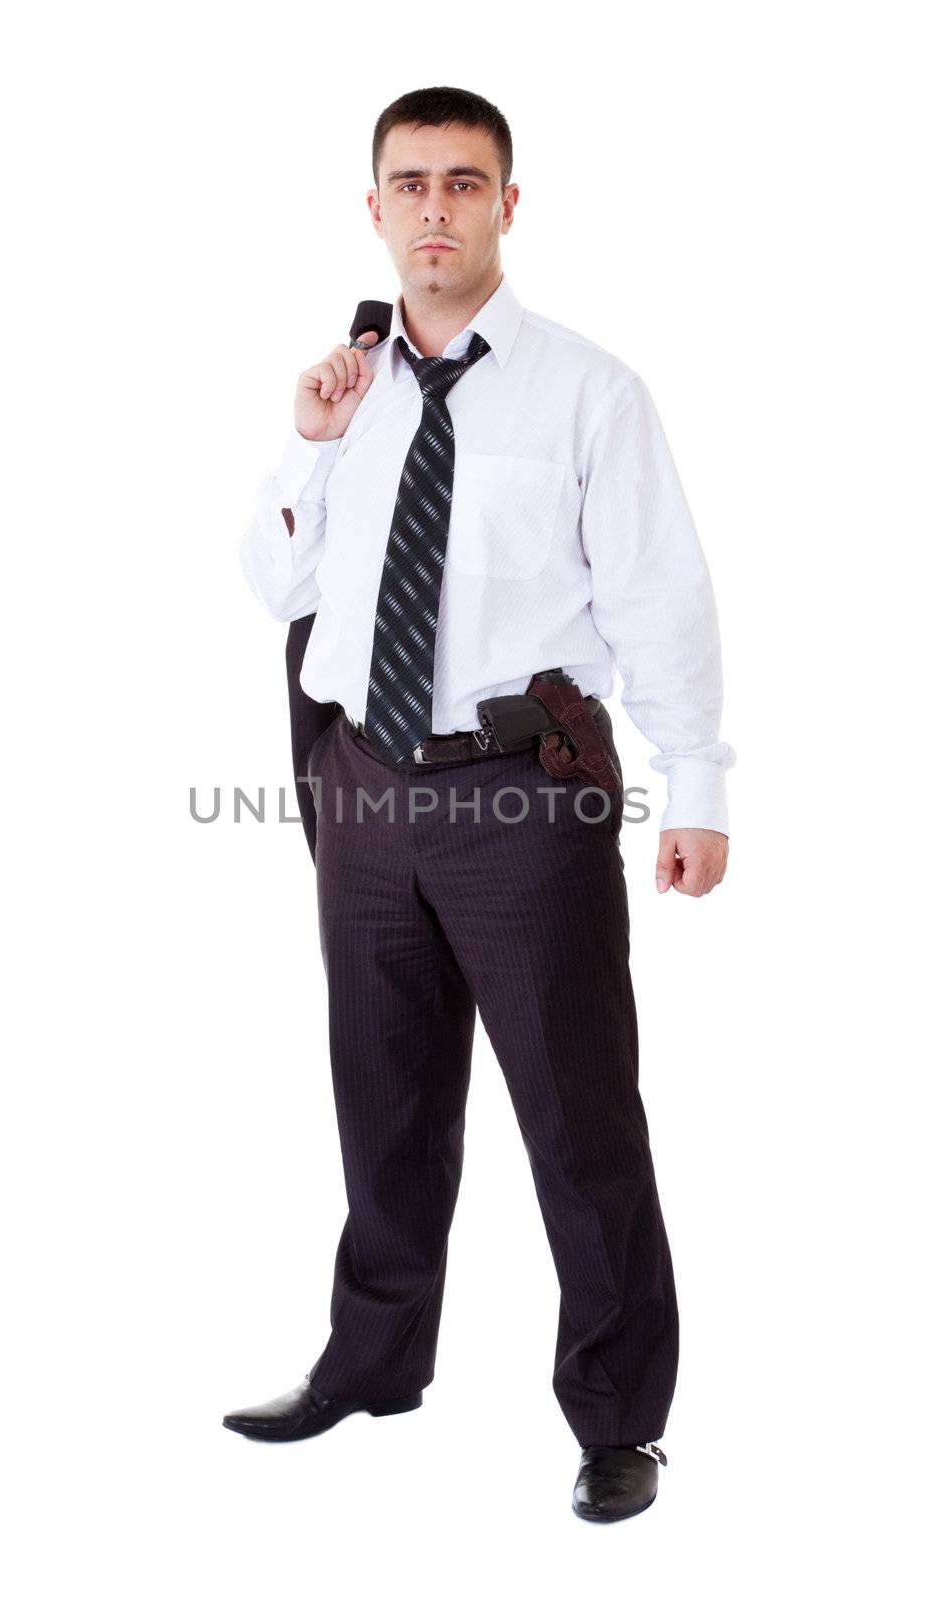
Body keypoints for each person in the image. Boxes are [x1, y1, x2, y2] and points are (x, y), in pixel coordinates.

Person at [226, 85, 736, 1524]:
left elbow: (659, 597)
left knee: (577, 1115)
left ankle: (620, 1417)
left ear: (508, 207)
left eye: (465, 184)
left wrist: (695, 782)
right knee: (380, 1092)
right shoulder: (349, 389)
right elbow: (274, 585)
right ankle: (373, 1359)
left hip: (526, 796)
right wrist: (313, 442)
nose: (436, 208)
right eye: (411, 184)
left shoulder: (588, 391)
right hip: (362, 788)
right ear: (373, 209)